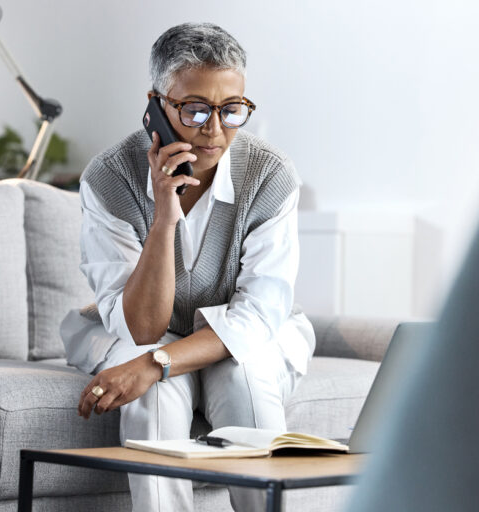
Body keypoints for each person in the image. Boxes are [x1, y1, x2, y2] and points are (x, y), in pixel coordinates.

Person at [66, 22, 315, 512]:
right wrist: (164, 216)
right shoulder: (109, 177)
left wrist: (156, 364)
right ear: (156, 105)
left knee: (240, 377)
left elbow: (256, 315)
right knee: (154, 397)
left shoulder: (271, 175)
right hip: (144, 329)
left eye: (232, 109)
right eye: (195, 109)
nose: (214, 130)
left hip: (240, 335)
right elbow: (142, 328)